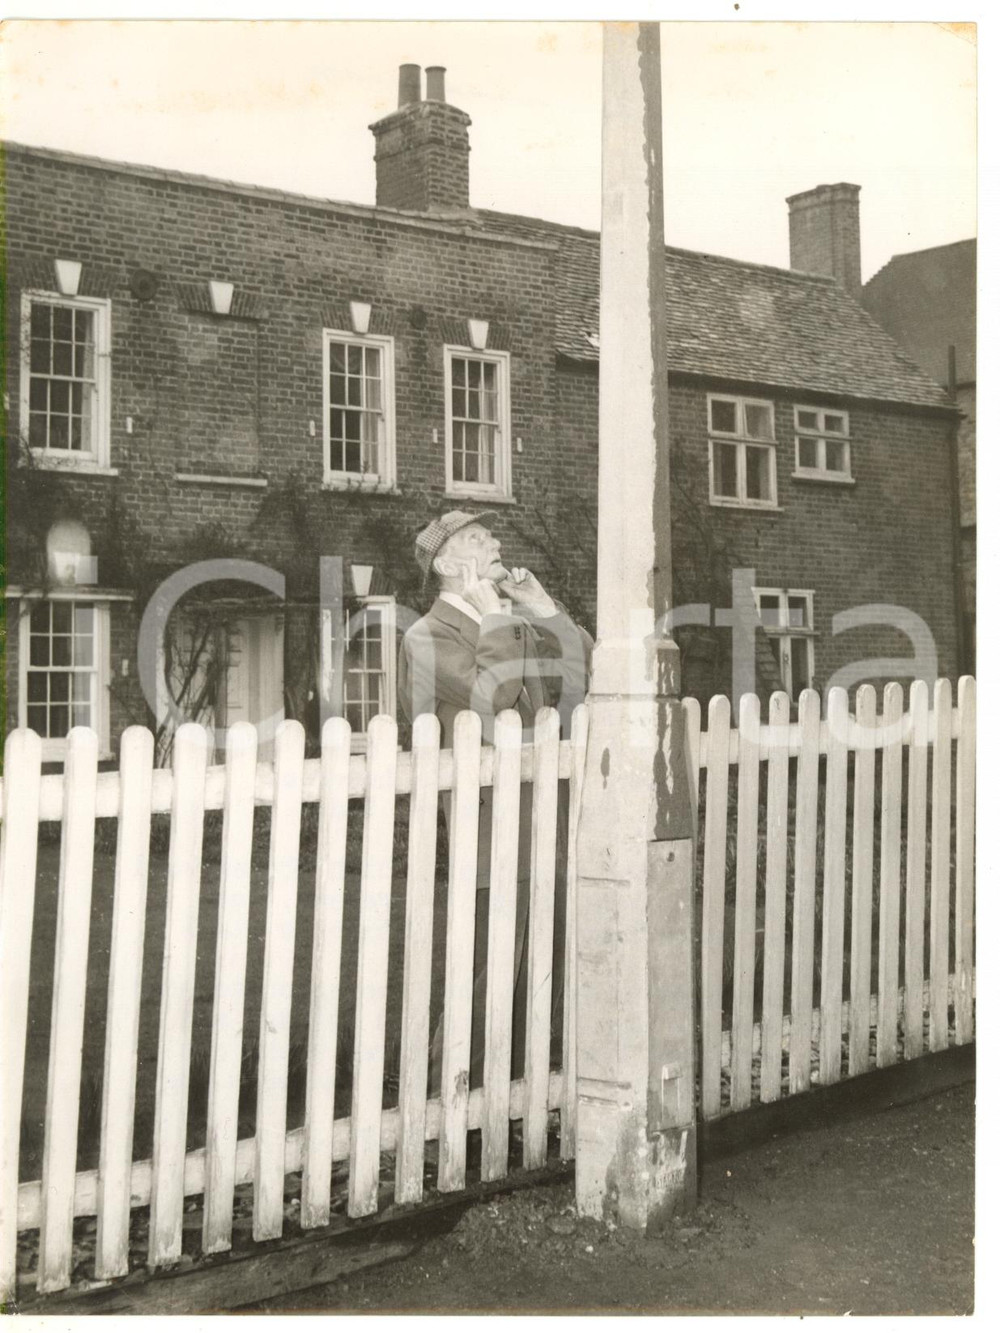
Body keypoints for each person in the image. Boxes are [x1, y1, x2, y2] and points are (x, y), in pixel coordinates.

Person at [398, 510, 592, 1090]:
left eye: (491, 535)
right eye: (478, 539)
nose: (496, 543)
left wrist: (541, 605)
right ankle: (442, 1100)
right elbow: (496, 699)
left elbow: (586, 668)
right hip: (489, 833)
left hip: (544, 821)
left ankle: (521, 1095)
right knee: (490, 971)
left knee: (545, 965)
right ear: (446, 564)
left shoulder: (508, 621)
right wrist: (497, 618)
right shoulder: (426, 636)